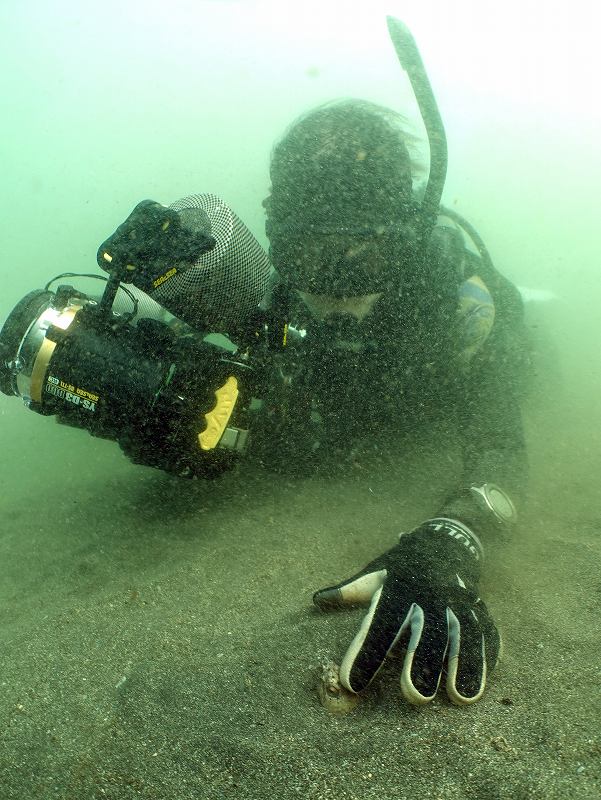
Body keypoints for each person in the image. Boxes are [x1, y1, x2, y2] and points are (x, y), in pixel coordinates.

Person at [250, 97, 530, 706]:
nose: (332, 291)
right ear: (277, 240)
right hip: (371, 412)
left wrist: (454, 535)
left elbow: (502, 447)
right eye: (305, 256)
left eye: (360, 255)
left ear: (406, 234)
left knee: (528, 356)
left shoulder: (461, 306)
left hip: (444, 391)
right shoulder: (278, 304)